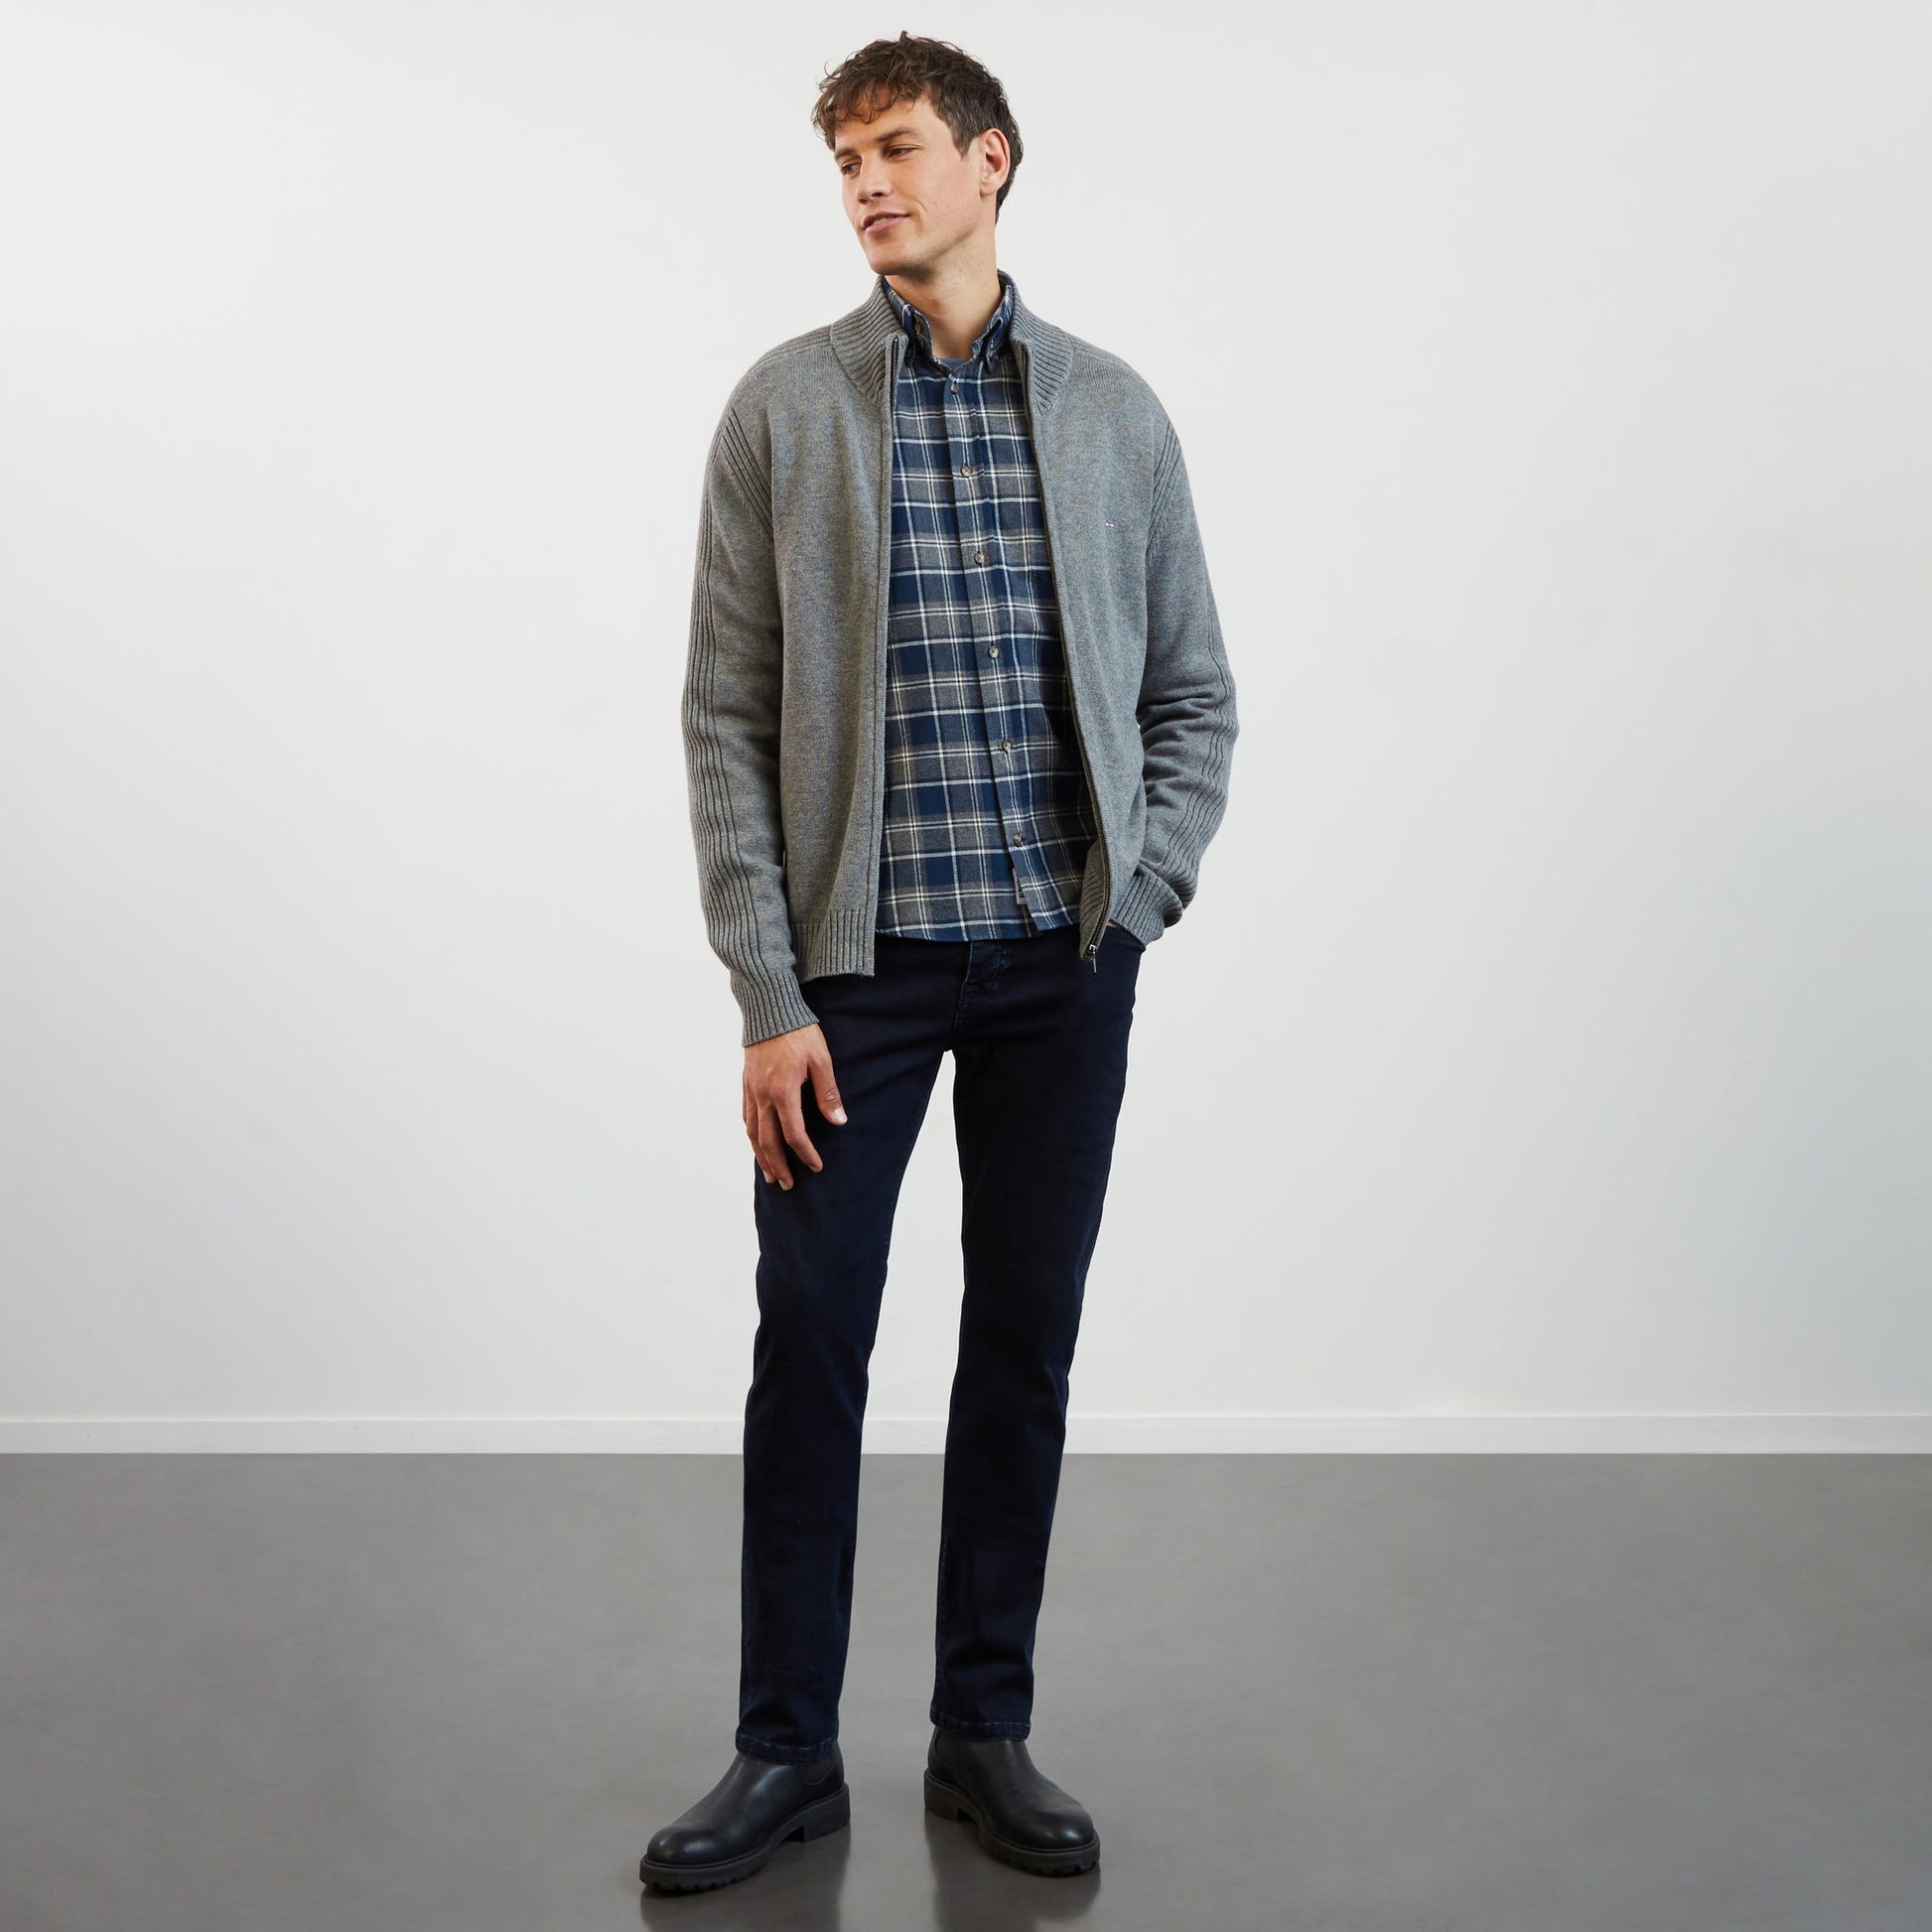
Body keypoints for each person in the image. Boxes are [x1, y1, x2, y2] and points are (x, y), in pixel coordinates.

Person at [640, 30, 1237, 1894]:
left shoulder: (1114, 413)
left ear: (991, 161)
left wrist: (1137, 899)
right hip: (857, 977)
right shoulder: (783, 408)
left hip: (1061, 963)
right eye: (844, 161)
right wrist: (768, 993)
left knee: (1022, 1339)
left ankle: (983, 1726)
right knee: (812, 1336)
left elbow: (1191, 694)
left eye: (895, 149)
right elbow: (725, 718)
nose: (866, 186)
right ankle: (784, 1750)